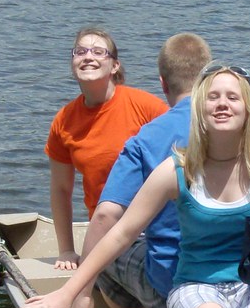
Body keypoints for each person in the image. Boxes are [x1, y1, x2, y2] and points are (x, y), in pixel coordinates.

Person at [17, 63, 250, 308]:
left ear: (248, 109)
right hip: (194, 286)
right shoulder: (177, 170)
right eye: (212, 97)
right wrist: (70, 292)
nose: (222, 104)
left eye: (232, 97)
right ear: (199, 110)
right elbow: (121, 233)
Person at [64, 32, 250, 308]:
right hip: (249, 280)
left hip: (171, 288)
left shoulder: (147, 137)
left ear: (163, 83)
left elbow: (105, 216)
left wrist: (80, 295)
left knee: (107, 252)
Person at [45, 26, 167, 269]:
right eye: (80, 51)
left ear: (114, 66)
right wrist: (66, 250)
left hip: (153, 227)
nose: (88, 57)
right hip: (105, 230)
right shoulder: (64, 120)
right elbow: (61, 189)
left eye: (98, 52)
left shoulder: (147, 108)